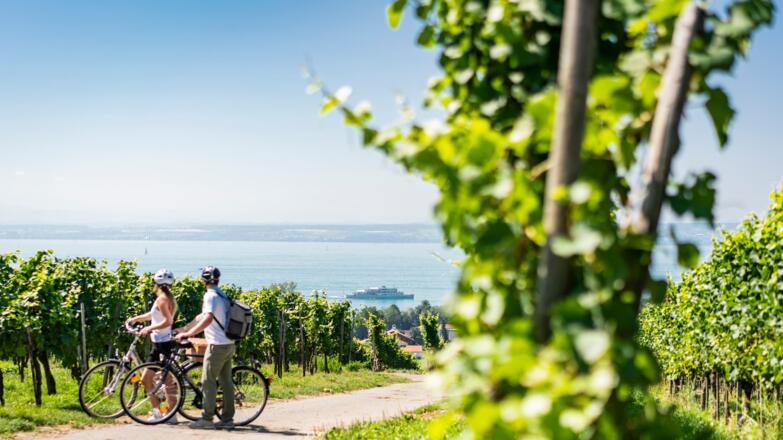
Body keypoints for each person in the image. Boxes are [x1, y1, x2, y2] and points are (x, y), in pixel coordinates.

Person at [175, 266, 235, 430]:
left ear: (203, 280)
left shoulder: (210, 296)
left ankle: (207, 419)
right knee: (226, 382)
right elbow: (201, 317)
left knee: (208, 381)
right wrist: (185, 329)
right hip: (228, 343)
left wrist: (189, 334)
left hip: (217, 345)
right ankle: (227, 419)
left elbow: (208, 318)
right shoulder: (221, 295)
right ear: (218, 280)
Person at [125, 268, 178, 423]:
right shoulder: (167, 298)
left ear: (156, 284)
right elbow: (154, 315)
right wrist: (136, 319)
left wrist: (149, 328)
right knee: (166, 379)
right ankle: (170, 414)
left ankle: (159, 413)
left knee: (148, 379)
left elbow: (168, 321)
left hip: (161, 344)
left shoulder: (162, 299)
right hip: (162, 342)